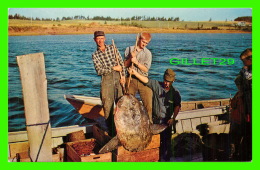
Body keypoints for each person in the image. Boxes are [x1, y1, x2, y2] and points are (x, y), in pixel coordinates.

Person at [128, 68, 181, 161]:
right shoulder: (157, 85)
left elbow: (177, 106)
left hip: (166, 122)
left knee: (166, 146)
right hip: (155, 120)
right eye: (165, 81)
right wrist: (135, 73)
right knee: (154, 144)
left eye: (169, 82)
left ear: (173, 81)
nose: (166, 83)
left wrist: (173, 118)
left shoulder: (175, 93)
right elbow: (146, 80)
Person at [92, 31, 125, 136]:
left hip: (118, 78)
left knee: (121, 105)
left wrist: (123, 76)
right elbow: (99, 71)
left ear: (105, 38)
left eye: (102, 38)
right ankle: (112, 133)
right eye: (98, 39)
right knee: (107, 107)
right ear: (95, 40)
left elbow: (121, 62)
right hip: (106, 80)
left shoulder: (112, 48)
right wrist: (113, 68)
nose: (100, 41)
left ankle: (123, 131)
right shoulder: (95, 55)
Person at [124, 32, 153, 123]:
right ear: (139, 39)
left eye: (146, 43)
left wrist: (136, 62)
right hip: (131, 79)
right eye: (143, 42)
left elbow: (145, 69)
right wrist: (130, 58)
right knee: (129, 104)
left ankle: (149, 124)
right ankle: (130, 124)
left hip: (142, 80)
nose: (144, 44)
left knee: (148, 104)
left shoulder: (148, 53)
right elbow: (125, 65)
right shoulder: (129, 49)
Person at [230, 48, 252, 161]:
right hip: (248, 108)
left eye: (244, 61)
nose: (243, 64)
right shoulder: (245, 71)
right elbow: (238, 80)